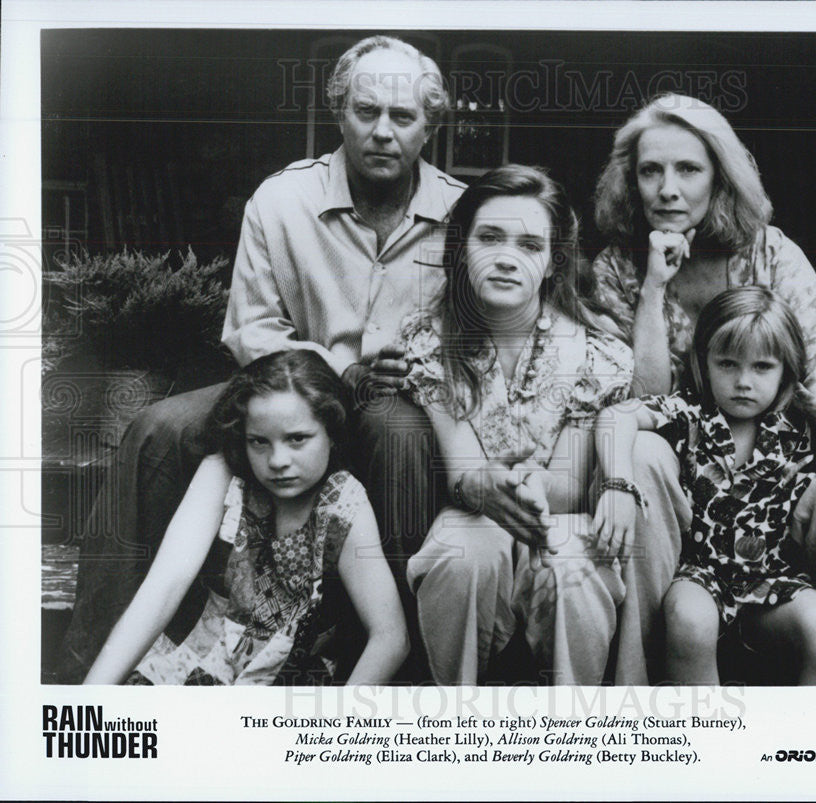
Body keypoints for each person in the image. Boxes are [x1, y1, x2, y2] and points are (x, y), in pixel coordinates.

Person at [59, 35, 465, 683]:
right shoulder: (281, 201)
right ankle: (86, 667)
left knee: (399, 432)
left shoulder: (461, 215)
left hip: (402, 403)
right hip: (283, 388)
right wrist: (334, 365)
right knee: (157, 429)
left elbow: (473, 342)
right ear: (340, 112)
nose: (382, 132)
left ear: (430, 125)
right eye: (366, 112)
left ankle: (398, 663)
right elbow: (250, 333)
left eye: (403, 117)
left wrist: (416, 370)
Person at [591, 93, 816, 685]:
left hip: (777, 504)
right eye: (651, 170)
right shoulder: (618, 267)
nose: (668, 188)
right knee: (638, 454)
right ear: (630, 180)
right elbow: (640, 405)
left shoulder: (772, 256)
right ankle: (636, 708)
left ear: (719, 177)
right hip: (681, 503)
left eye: (688, 169)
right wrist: (652, 288)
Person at [400, 165, 634, 684]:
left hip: (557, 513)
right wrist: (482, 483)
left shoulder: (593, 353)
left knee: (574, 562)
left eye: (530, 245)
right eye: (489, 238)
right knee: (462, 553)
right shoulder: (430, 343)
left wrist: (520, 486)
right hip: (475, 511)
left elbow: (572, 483)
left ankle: (571, 727)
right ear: (461, 249)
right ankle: (455, 720)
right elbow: (463, 469)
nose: (507, 258)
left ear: (553, 263)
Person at [85, 350, 408, 685]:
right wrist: (91, 697)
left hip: (289, 682)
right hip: (203, 665)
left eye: (297, 439)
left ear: (332, 431)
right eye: (259, 442)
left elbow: (390, 638)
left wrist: (333, 728)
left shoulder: (343, 500)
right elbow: (164, 585)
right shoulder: (224, 471)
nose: (278, 460)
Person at [596, 287, 816, 684]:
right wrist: (617, 482)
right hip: (696, 576)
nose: (743, 382)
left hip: (768, 579)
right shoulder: (689, 414)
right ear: (704, 363)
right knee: (690, 619)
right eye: (728, 364)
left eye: (762, 367)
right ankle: (707, 739)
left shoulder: (801, 430)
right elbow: (616, 417)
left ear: (786, 369)